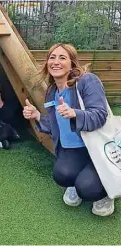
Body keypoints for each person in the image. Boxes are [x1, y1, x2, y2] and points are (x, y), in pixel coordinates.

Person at [23, 43, 114, 216]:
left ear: (72, 63)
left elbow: (100, 115)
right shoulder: (52, 92)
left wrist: (75, 113)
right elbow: (55, 125)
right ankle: (83, 178)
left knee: (87, 188)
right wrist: (36, 115)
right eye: (52, 57)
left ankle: (105, 193)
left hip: (99, 148)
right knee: (61, 175)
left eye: (62, 57)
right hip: (74, 150)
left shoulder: (87, 81)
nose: (56, 62)